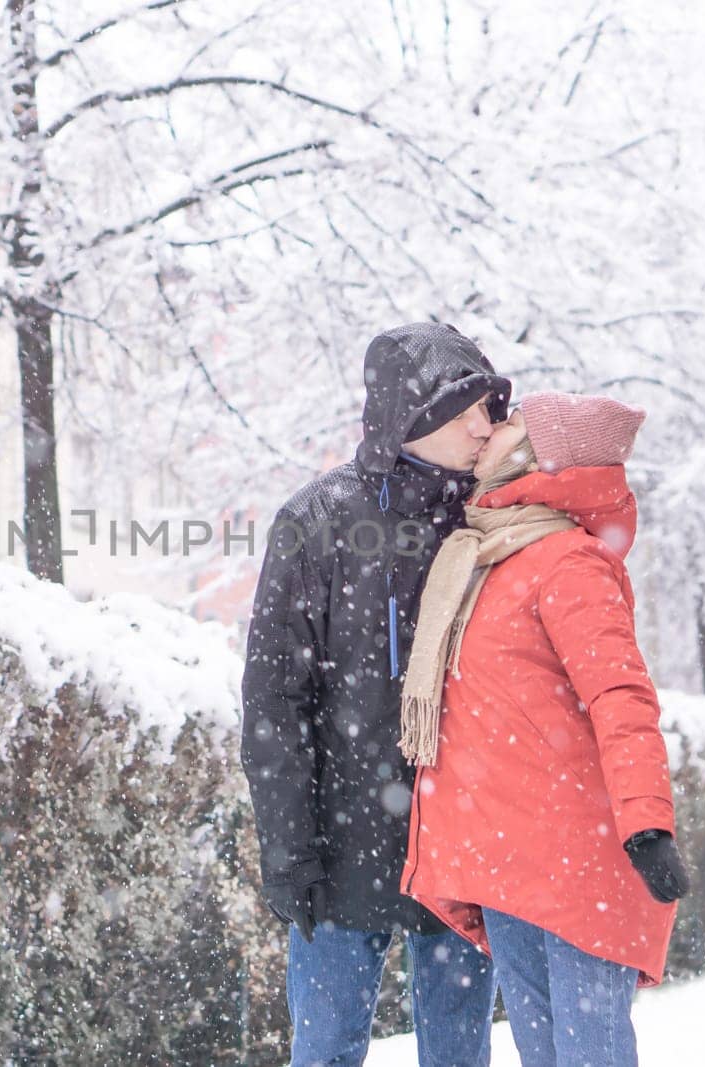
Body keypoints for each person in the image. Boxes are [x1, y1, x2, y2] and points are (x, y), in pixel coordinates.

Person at [241, 322, 510, 1067]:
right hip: (340, 843)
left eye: (492, 410)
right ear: (417, 418)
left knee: (459, 1056)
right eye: (472, 413)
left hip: (457, 842)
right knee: (326, 1051)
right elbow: (274, 701)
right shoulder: (318, 521)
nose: (489, 428)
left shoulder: (493, 523)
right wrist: (290, 851)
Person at [397, 392, 692, 1067]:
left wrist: (648, 821)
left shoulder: (568, 561)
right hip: (508, 867)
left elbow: (621, 696)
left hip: (575, 864)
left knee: (589, 1054)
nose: (495, 428)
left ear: (540, 456)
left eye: (513, 425)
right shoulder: (487, 559)